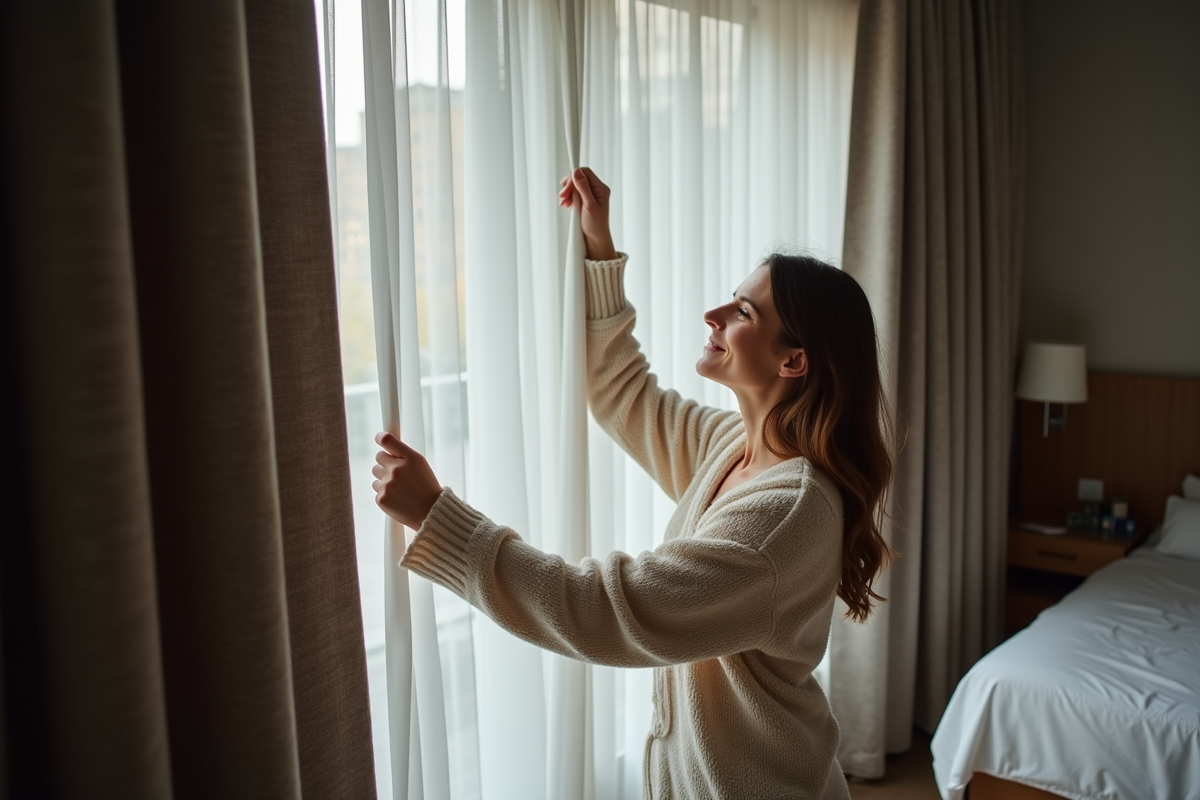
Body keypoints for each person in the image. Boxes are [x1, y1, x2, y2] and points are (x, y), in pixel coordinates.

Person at [371, 167, 895, 800]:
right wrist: (599, 249)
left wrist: (438, 518)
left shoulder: (785, 517)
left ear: (793, 361)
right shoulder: (733, 445)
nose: (714, 313)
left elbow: (608, 612)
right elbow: (623, 392)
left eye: (742, 311)